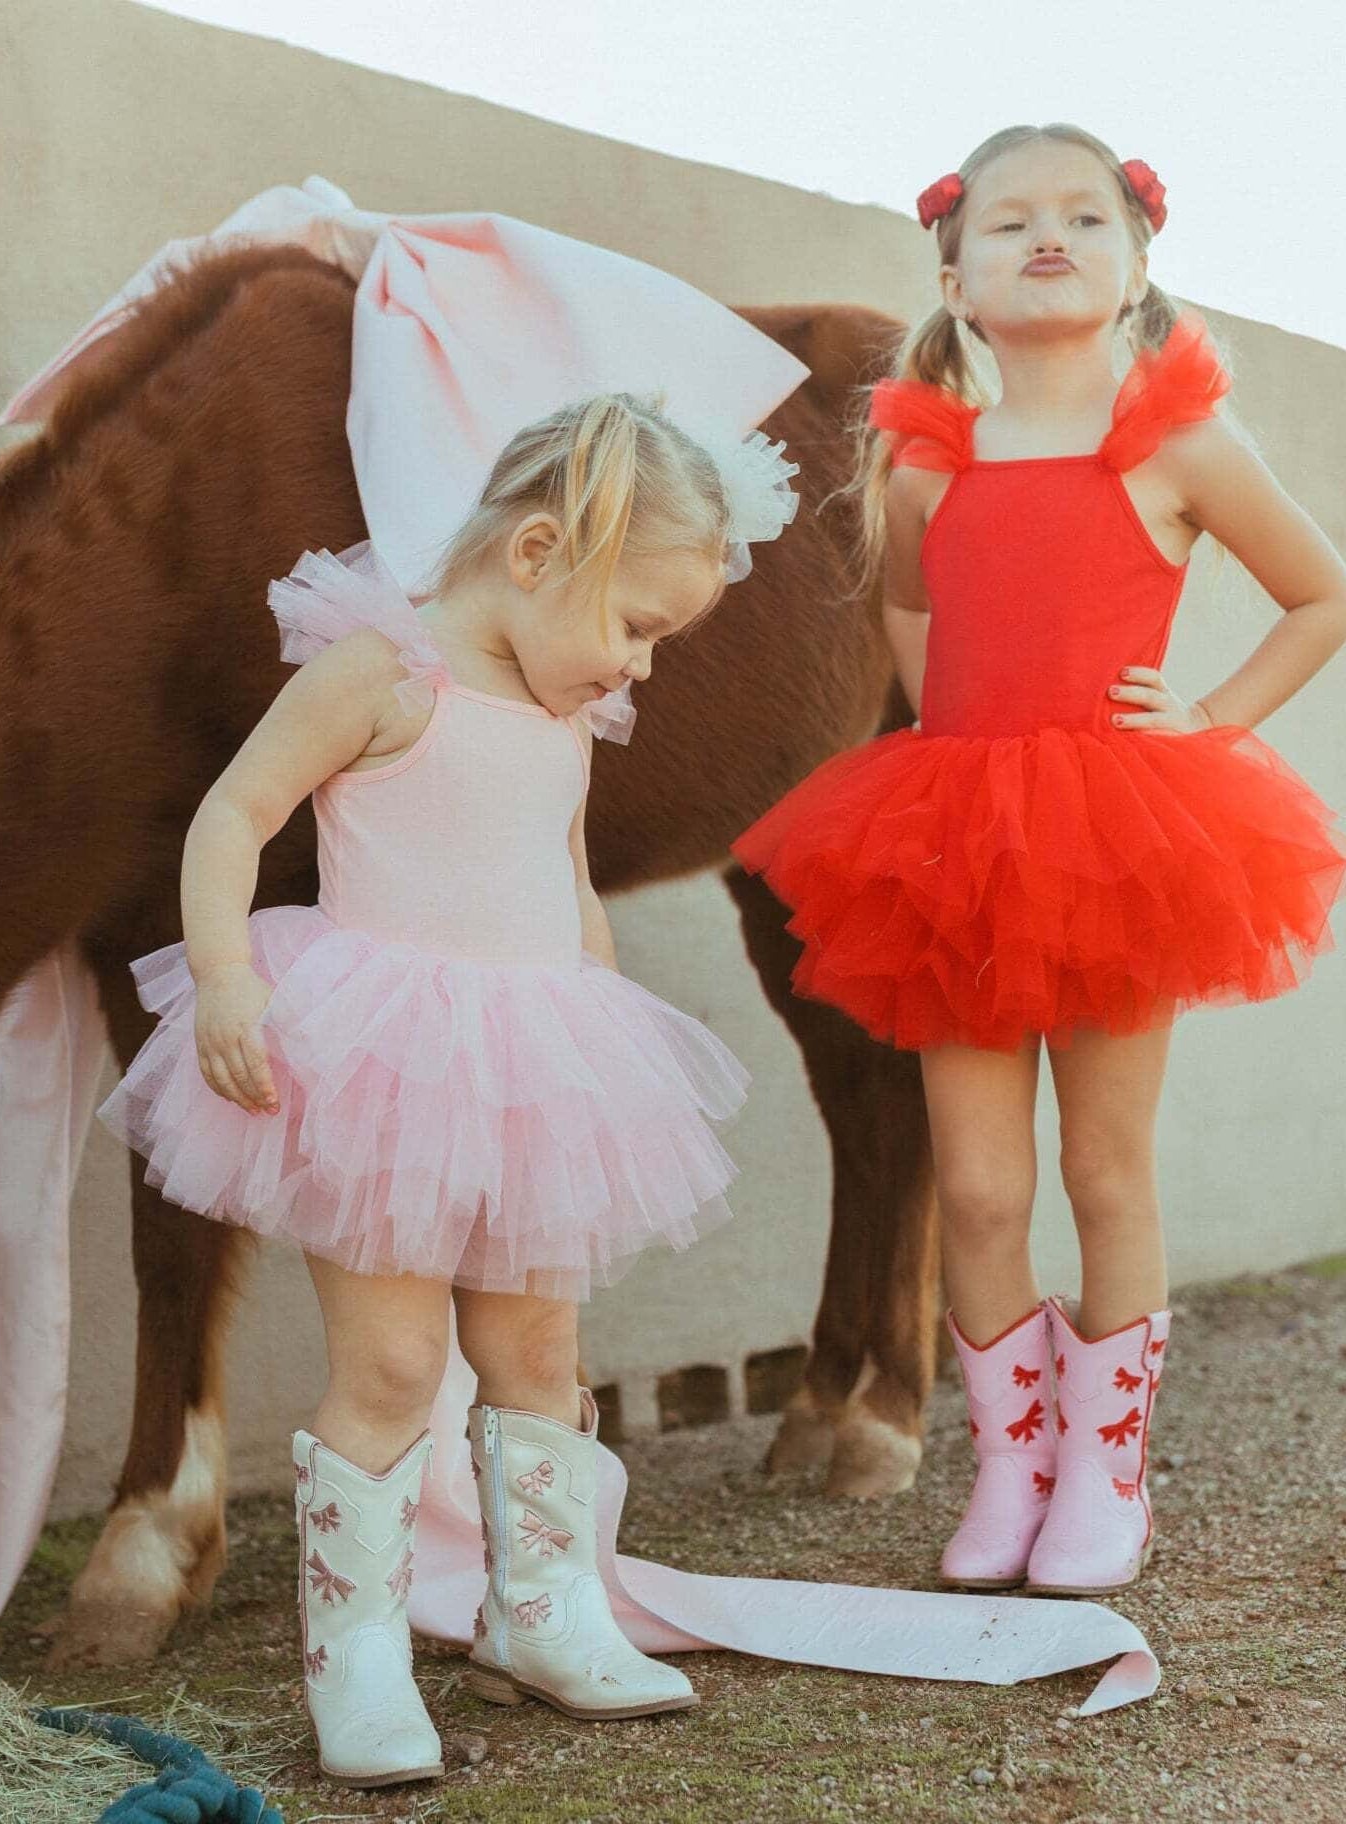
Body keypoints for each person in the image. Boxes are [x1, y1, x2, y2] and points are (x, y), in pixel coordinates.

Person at [97, 393, 796, 1786]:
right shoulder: (381, 672)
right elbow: (237, 812)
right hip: (386, 1063)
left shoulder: (569, 705)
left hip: (537, 1065)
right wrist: (226, 977)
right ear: (539, 554)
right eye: (639, 626)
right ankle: (352, 1656)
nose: (638, 668)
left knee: (540, 1358)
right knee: (397, 1366)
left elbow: (562, 875)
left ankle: (542, 1612)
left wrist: (599, 1018)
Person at [734, 124, 1346, 1600]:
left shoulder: (1178, 442)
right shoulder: (923, 463)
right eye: (1010, 223)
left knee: (1102, 1165)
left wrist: (1208, 724)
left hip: (1120, 836)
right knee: (988, 1188)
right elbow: (917, 634)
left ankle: (1107, 1476)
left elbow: (1320, 593)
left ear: (1138, 264)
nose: (1048, 238)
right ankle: (1013, 1471)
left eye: (1084, 216)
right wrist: (952, 767)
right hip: (958, 844)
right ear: (955, 271)